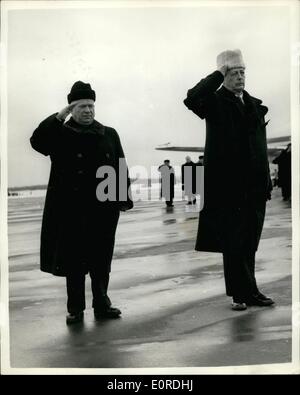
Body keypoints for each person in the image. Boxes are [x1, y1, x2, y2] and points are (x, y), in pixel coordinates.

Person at [30, 81, 133, 324]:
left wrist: (122, 199)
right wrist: (59, 116)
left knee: (101, 259)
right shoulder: (60, 133)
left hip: (103, 208)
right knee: (74, 261)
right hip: (71, 209)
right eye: (82, 106)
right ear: (71, 109)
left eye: (91, 106)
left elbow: (120, 165)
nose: (88, 110)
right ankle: (76, 308)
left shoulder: (109, 133)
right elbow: (37, 142)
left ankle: (102, 303)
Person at [183, 49, 274, 311]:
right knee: (234, 242)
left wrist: (266, 181)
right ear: (224, 75)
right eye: (233, 73)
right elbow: (191, 98)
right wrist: (218, 73)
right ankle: (241, 294)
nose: (240, 77)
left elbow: (259, 146)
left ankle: (249, 290)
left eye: (242, 72)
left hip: (255, 186)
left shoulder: (254, 104)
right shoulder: (214, 102)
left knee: (249, 241)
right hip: (229, 187)